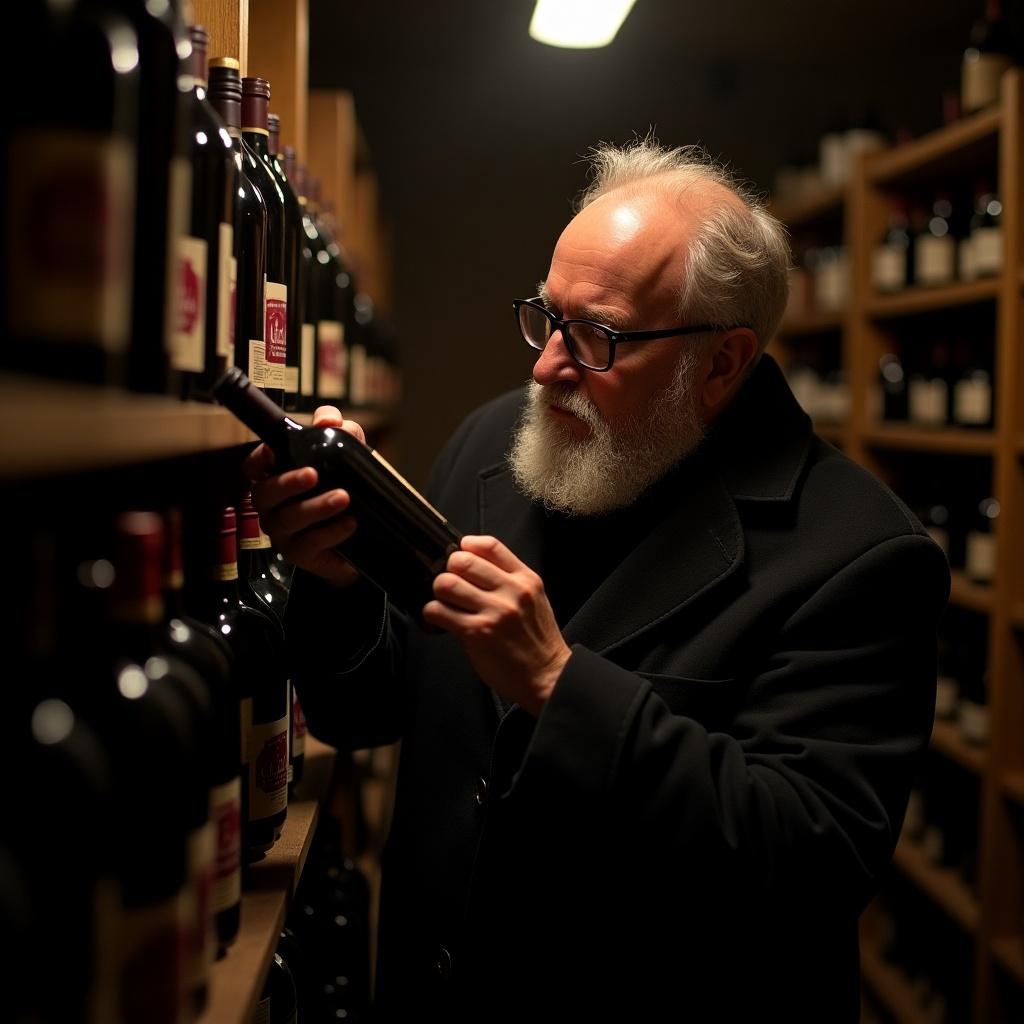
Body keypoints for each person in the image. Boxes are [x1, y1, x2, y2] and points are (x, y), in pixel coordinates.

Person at [247, 141, 949, 1022]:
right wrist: (334, 580)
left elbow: (807, 867)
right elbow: (368, 709)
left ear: (724, 363)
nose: (546, 368)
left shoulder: (861, 556)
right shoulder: (494, 442)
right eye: (547, 318)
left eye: (597, 339)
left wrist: (558, 684)